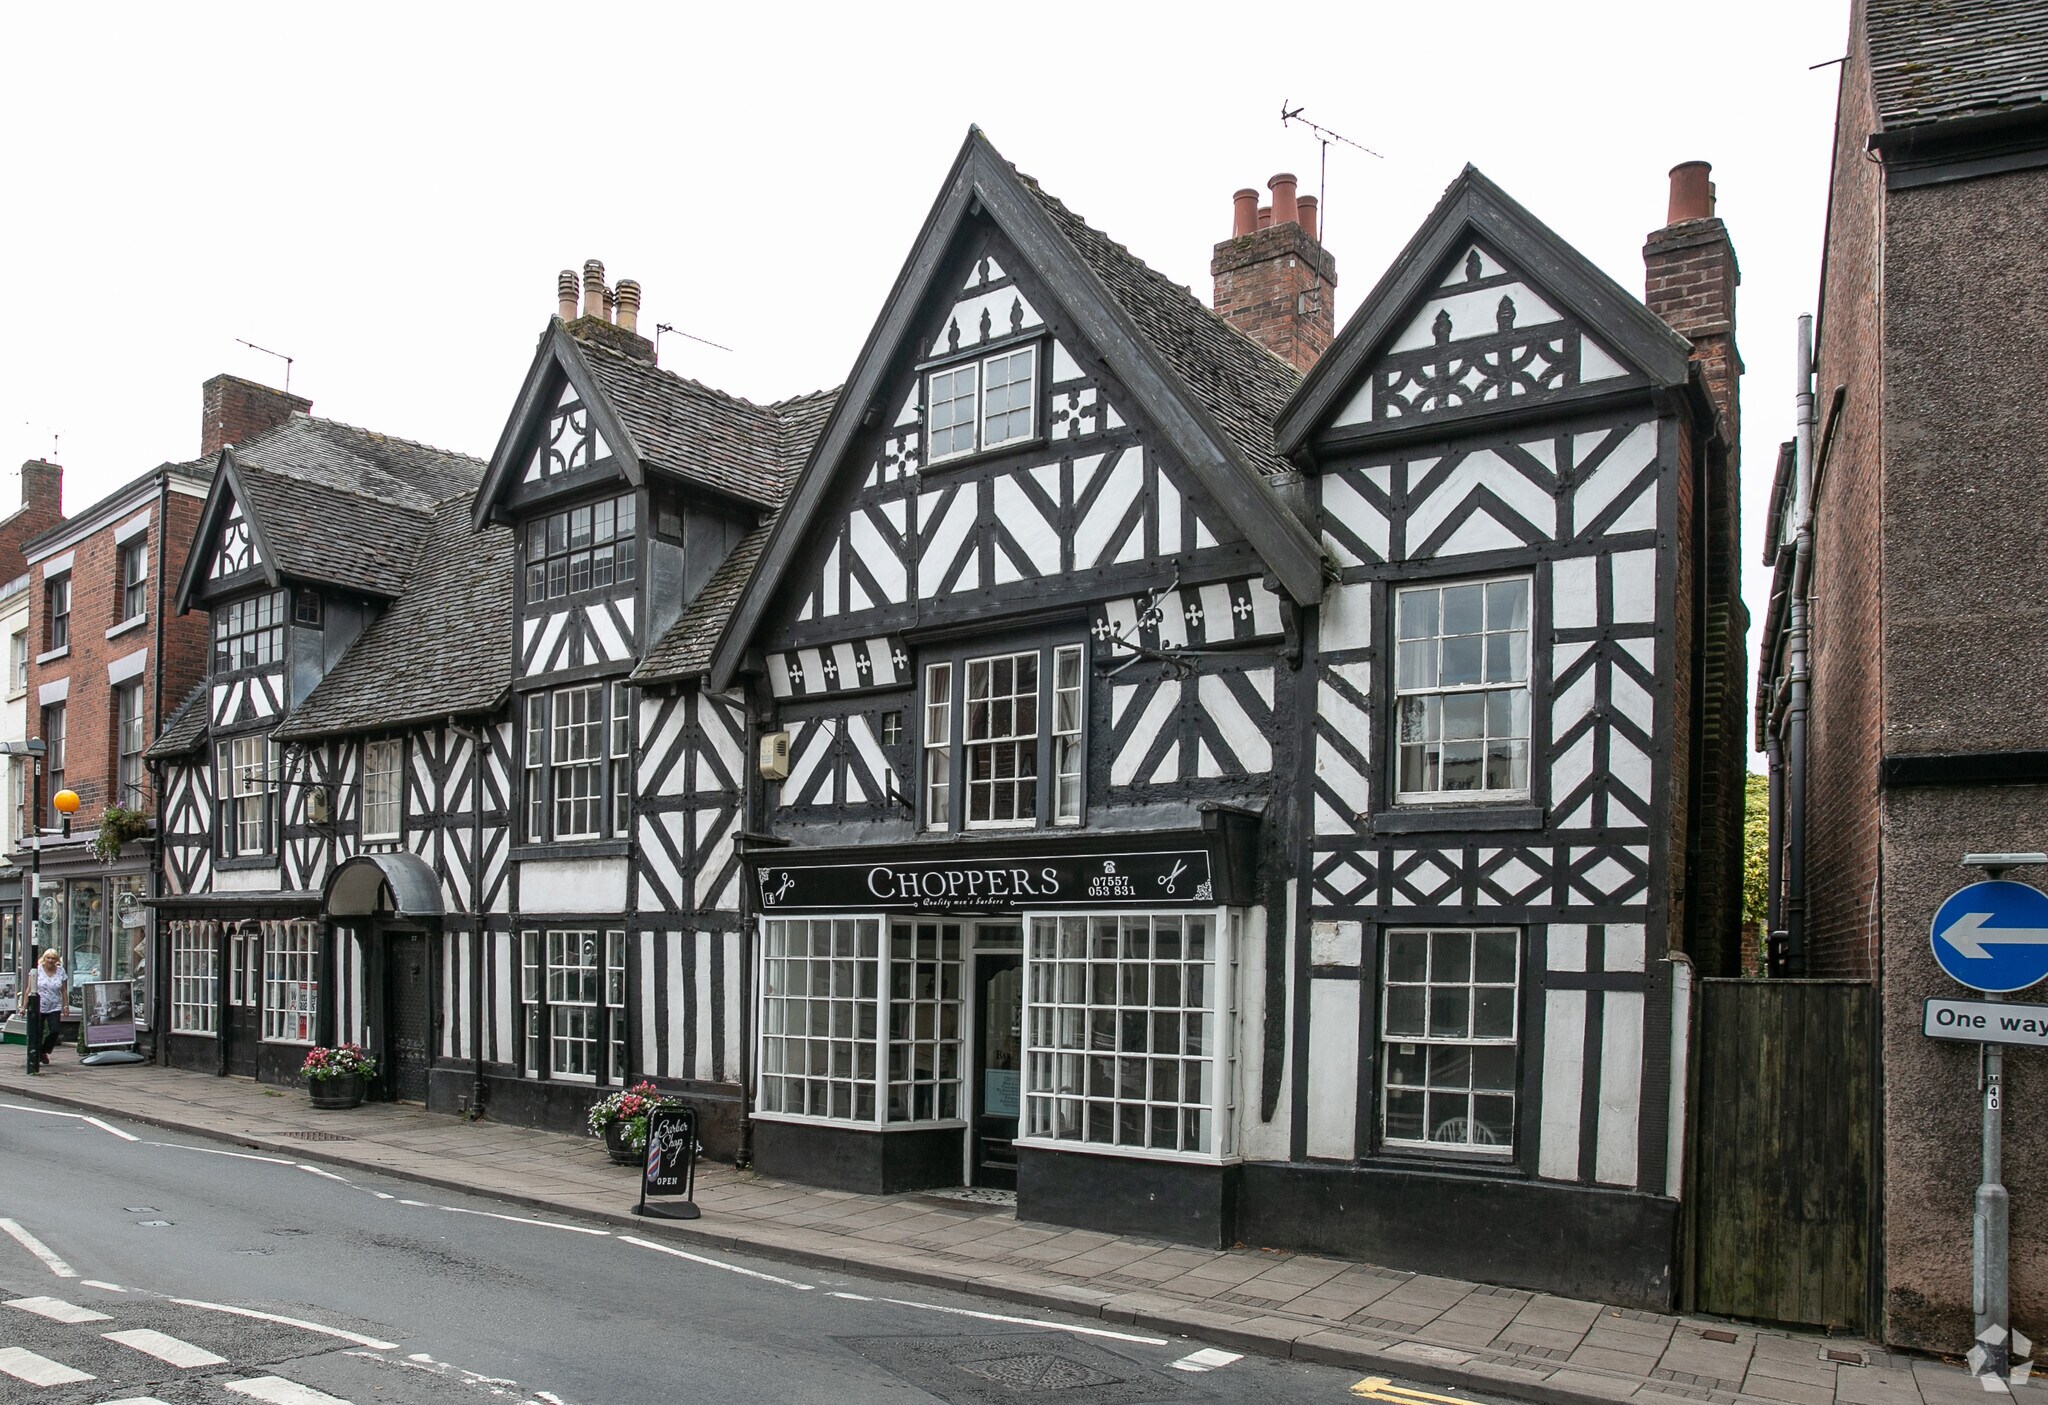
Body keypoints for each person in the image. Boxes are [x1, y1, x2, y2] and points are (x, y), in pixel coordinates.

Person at [21, 948, 66, 1074]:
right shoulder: (36, 971)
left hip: (55, 1006)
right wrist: (24, 1007)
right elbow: (29, 989)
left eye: (53, 958)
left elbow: (63, 990)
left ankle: (43, 1050)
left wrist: (66, 1006)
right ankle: (36, 1056)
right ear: (44, 958)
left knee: (55, 1030)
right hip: (38, 1005)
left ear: (56, 960)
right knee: (38, 1032)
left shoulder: (60, 971)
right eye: (48, 958)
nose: (51, 960)